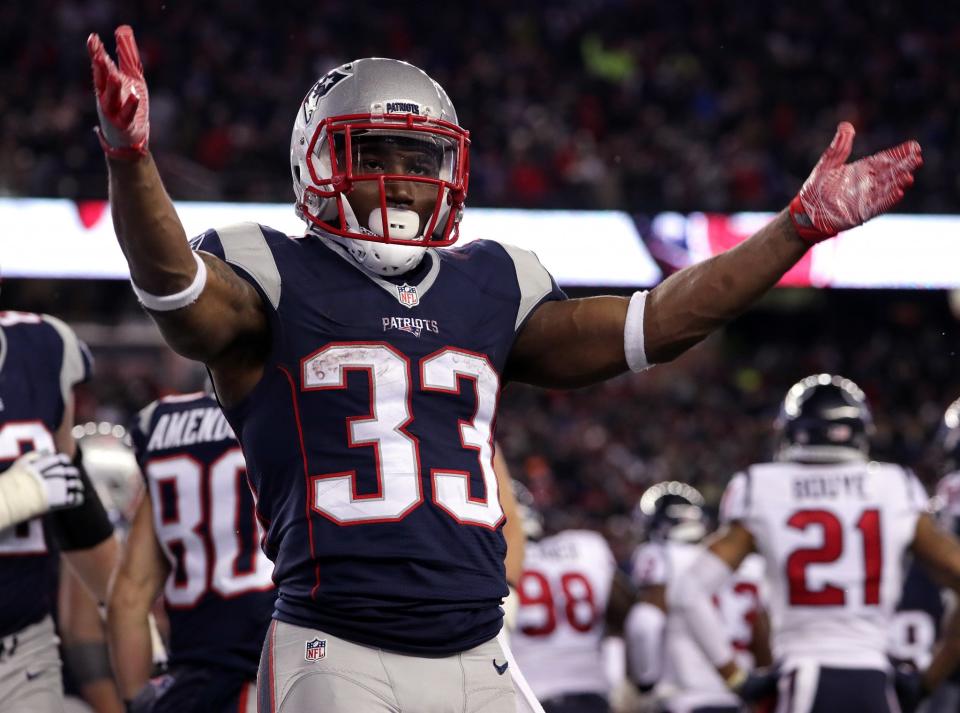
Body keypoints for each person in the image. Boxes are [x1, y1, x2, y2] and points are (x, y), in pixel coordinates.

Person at [86, 23, 921, 713]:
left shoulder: (493, 282)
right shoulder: (267, 270)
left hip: (481, 650)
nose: (403, 183)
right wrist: (130, 162)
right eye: (378, 152)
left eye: (421, 160)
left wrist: (794, 230)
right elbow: (176, 290)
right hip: (334, 645)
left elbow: (659, 321)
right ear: (317, 159)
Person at [671, 375, 960, 713]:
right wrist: (928, 680)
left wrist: (737, 678)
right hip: (875, 682)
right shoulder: (894, 486)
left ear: (792, 431)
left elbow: (688, 591)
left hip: (804, 676)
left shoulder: (762, 486)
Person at [107, 392, 275, 713]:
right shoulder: (285, 403)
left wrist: (135, 701)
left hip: (194, 680)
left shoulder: (161, 424)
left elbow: (128, 597)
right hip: (276, 664)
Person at [0, 310, 119, 712]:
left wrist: (122, 605)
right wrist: (15, 494)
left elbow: (69, 487)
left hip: (24, 651)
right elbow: (39, 486)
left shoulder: (42, 347)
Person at [625, 481, 769, 713]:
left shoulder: (663, 556)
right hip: (739, 699)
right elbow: (763, 637)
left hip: (686, 698)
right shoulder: (749, 565)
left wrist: (646, 684)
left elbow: (645, 623)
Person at [508, 481, 635, 713]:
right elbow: (626, 613)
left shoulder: (494, 564)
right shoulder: (586, 546)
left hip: (529, 696)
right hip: (591, 693)